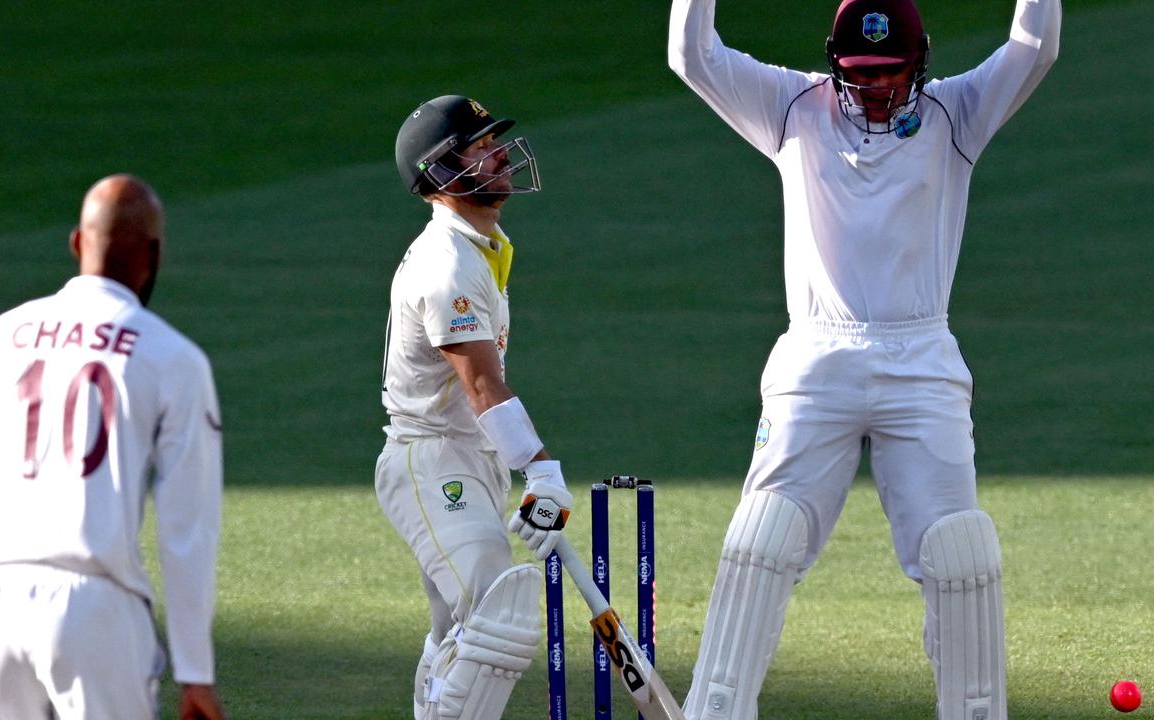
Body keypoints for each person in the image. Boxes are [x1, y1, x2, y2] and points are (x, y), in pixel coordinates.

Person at [668, 0, 1059, 717]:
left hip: (923, 362)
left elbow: (1033, 49)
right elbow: (692, 57)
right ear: (833, 63)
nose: (873, 89)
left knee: (958, 555)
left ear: (921, 64)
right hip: (815, 361)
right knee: (765, 540)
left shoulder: (957, 114)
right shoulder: (793, 105)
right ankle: (716, 709)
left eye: (889, 73)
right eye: (858, 74)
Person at [0, 174, 226, 720]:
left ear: (78, 243)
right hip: (96, 608)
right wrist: (195, 671)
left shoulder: (2, 334)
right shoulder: (172, 357)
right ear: (154, 254)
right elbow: (188, 525)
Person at [376, 94, 573, 720]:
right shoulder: (448, 263)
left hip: (469, 458)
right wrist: (540, 470)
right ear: (441, 173)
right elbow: (482, 384)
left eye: (493, 140)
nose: (498, 153)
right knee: (496, 613)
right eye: (480, 145)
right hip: (430, 461)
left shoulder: (479, 247)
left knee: (455, 637)